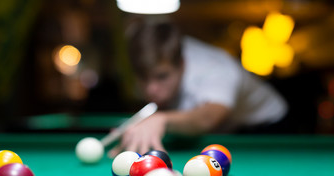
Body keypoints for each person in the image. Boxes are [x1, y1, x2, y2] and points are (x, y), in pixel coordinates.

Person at [109, 18, 289, 157]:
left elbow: (209, 117)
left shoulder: (215, 68)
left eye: (162, 76)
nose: (151, 89)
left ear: (182, 64)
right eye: (143, 78)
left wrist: (161, 119)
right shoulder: (157, 63)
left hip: (266, 126)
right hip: (228, 126)